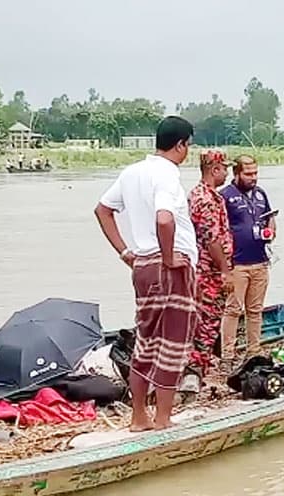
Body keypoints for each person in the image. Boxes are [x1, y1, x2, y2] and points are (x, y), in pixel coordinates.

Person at [94, 116, 197, 431]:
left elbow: (102, 209)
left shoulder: (132, 172)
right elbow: (164, 220)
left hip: (142, 267)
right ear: (180, 145)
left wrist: (125, 252)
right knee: (173, 344)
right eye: (188, 145)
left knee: (146, 341)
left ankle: (139, 416)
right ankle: (163, 418)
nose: (188, 152)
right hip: (168, 268)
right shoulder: (166, 174)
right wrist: (169, 258)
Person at [185, 149, 234, 388]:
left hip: (205, 271)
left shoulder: (203, 195)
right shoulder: (205, 200)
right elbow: (212, 239)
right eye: (224, 168)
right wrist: (225, 271)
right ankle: (194, 375)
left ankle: (198, 371)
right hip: (209, 273)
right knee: (206, 325)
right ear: (215, 169)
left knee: (204, 323)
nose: (227, 172)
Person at [221, 155, 275, 364]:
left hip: (260, 261)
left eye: (255, 173)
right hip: (237, 264)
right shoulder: (225, 196)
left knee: (255, 310)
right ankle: (228, 354)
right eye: (248, 174)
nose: (253, 177)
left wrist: (271, 229)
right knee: (233, 309)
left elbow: (270, 217)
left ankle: (253, 350)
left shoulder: (261, 194)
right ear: (236, 173)